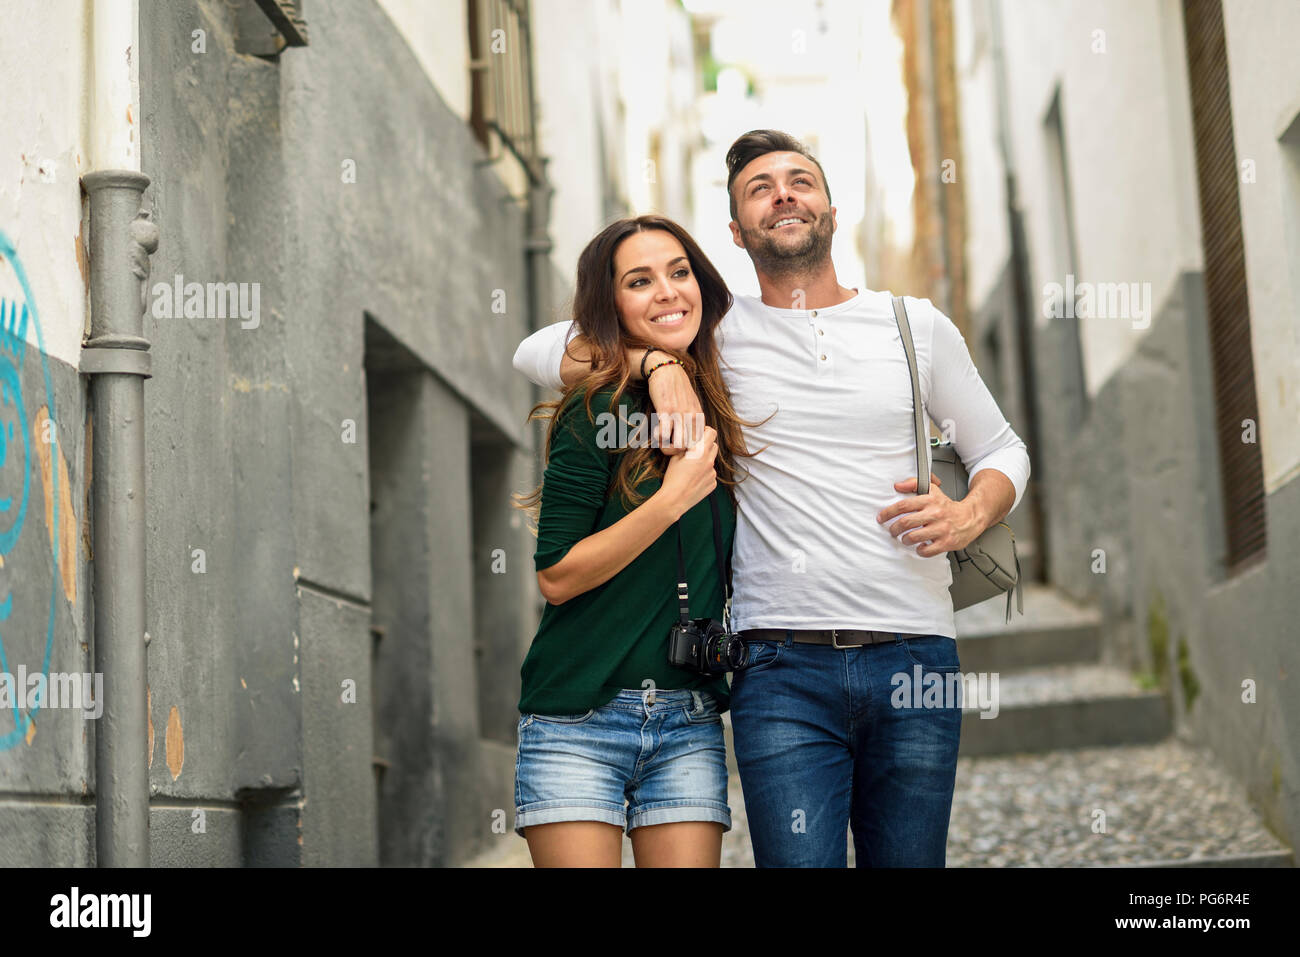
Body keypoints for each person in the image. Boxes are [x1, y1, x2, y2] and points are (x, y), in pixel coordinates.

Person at [512, 129, 1031, 867]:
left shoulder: (914, 326)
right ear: (735, 231)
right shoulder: (714, 334)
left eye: (799, 181)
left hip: (916, 650)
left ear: (830, 209)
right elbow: (535, 350)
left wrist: (971, 510)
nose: (783, 194)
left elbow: (1002, 448)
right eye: (760, 188)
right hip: (779, 665)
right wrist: (657, 360)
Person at [510, 214, 763, 868]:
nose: (668, 292)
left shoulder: (725, 395)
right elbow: (557, 574)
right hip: (578, 718)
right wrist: (673, 496)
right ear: (611, 303)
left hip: (687, 721)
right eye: (639, 281)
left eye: (679, 272)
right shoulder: (597, 409)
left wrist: (666, 366)